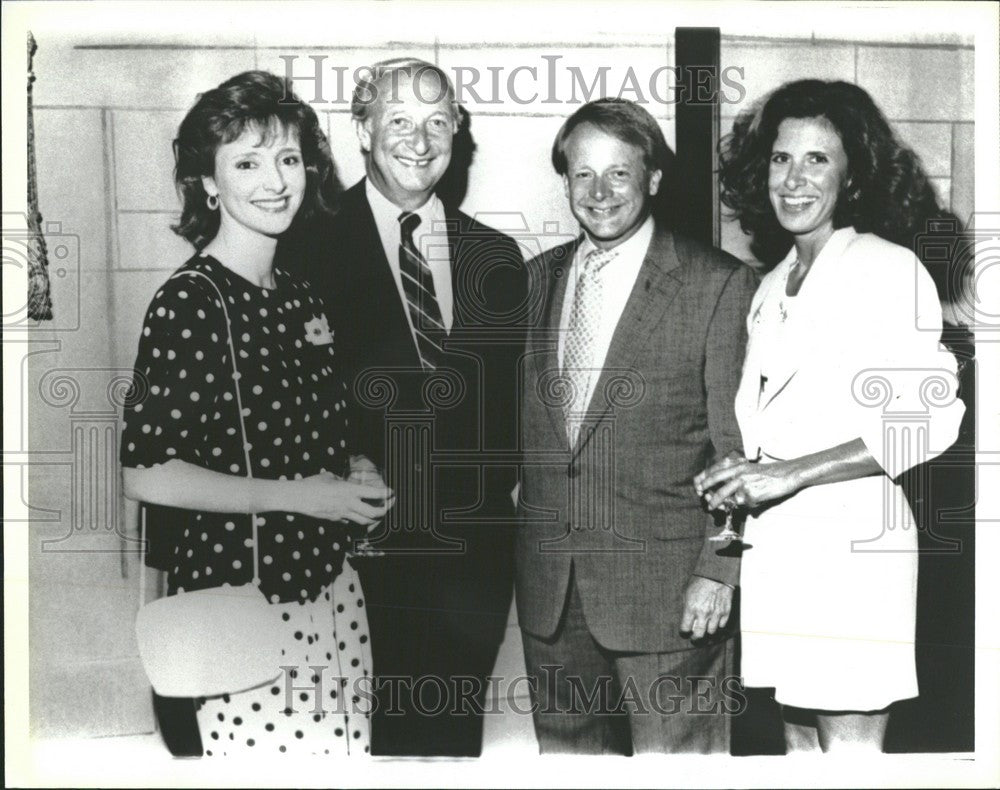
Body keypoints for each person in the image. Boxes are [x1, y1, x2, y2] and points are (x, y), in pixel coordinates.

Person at [120, 70, 394, 757]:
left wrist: (350, 473)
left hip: (332, 595)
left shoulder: (299, 295)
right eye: (246, 162)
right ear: (208, 183)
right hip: (244, 604)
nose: (275, 180)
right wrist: (304, 497)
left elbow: (299, 437)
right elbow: (147, 473)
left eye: (288, 158)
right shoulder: (191, 302)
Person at [699, 78, 966, 753]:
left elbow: (923, 423)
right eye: (781, 159)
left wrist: (786, 473)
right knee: (797, 751)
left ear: (852, 178)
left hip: (853, 555)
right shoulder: (768, 287)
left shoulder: (888, 268)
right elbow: (774, 421)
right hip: (779, 553)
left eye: (817, 159)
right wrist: (742, 472)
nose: (793, 179)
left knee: (849, 754)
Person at [277, 58, 527, 757]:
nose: (420, 141)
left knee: (449, 742)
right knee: (360, 747)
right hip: (351, 549)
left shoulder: (497, 257)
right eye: (398, 122)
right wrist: (334, 459)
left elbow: (508, 412)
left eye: (437, 123)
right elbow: (273, 400)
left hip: (472, 558)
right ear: (362, 129)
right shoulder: (302, 247)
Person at [515, 98, 758, 754]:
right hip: (552, 596)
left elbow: (742, 450)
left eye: (618, 173)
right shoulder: (533, 283)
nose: (599, 193)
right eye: (582, 174)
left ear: (652, 179)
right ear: (565, 180)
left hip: (671, 597)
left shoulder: (716, 285)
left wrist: (722, 567)